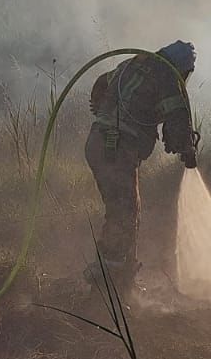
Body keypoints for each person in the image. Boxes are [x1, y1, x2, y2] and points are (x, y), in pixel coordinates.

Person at [84, 40, 199, 287]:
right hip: (116, 149)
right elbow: (178, 118)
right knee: (124, 213)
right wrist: (187, 151)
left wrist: (104, 112)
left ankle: (123, 280)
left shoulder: (133, 64)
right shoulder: (168, 75)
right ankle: (107, 283)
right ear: (183, 68)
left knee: (129, 209)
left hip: (99, 143)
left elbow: (101, 83)